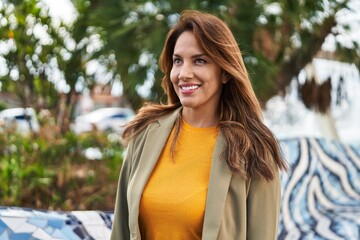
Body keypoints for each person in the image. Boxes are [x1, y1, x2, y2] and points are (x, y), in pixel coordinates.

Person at [110, 10, 288, 240]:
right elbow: (121, 232)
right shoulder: (144, 135)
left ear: (225, 72)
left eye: (200, 61)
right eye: (177, 61)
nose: (184, 73)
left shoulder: (254, 150)